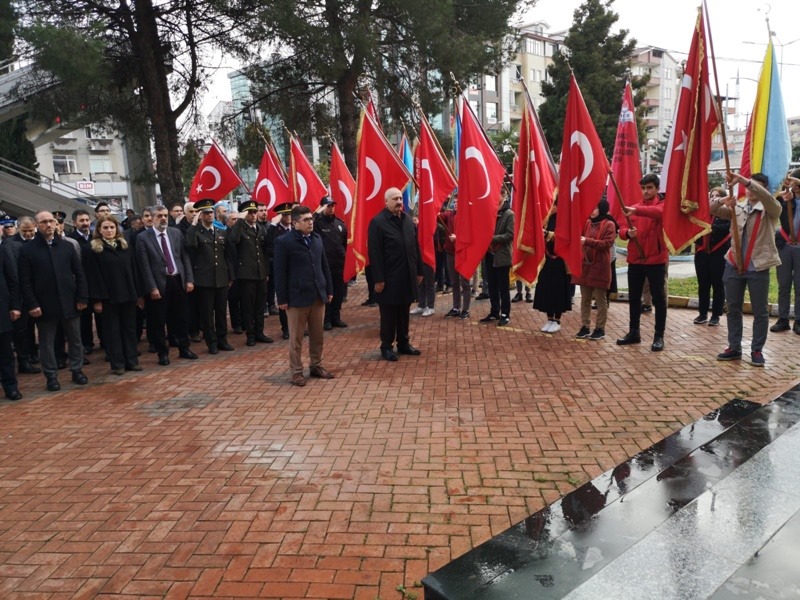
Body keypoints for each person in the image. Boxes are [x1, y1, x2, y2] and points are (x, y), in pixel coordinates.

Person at [711, 172, 781, 367]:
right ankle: (734, 347)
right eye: (748, 188)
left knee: (760, 311)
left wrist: (744, 181)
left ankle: (757, 349)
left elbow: (769, 200)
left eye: (754, 187)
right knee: (733, 309)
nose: (750, 190)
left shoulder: (770, 209)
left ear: (764, 189)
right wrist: (721, 200)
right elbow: (710, 210)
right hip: (733, 264)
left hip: (757, 266)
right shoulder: (737, 207)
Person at [18, 211, 89, 391]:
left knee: (75, 339)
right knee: (46, 343)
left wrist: (82, 297)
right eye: (44, 222)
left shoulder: (67, 247)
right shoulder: (27, 250)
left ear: (57, 224)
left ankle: (77, 370)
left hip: (70, 301)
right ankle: (51, 375)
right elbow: (25, 281)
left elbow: (79, 274)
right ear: (36, 225)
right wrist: (32, 304)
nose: (48, 225)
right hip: (44, 305)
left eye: (51, 221)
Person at [274, 204, 334, 386]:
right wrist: (282, 299)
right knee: (296, 338)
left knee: (317, 335)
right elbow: (280, 272)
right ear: (295, 223)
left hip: (317, 295)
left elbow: (324, 266)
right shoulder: (284, 242)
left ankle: (316, 365)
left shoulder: (317, 239)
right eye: (306, 220)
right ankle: (296, 371)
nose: (310, 222)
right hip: (296, 298)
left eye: (311, 219)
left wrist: (329, 289)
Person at [136, 205, 198, 366]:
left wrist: (189, 279)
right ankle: (162, 353)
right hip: (158, 283)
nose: (163, 218)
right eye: (159, 216)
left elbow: (184, 257)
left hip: (177, 280)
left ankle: (184, 348)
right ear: (152, 218)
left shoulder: (175, 233)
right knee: (158, 320)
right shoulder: (143, 238)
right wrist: (152, 288)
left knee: (181, 317)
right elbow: (144, 266)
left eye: (165, 215)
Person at [368, 187, 423, 361]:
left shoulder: (407, 220)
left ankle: (403, 343)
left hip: (407, 275)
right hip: (389, 278)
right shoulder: (377, 222)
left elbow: (416, 247)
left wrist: (419, 270)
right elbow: (374, 253)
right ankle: (386, 346)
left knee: (404, 312)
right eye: (394, 199)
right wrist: (379, 278)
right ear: (386, 202)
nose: (399, 201)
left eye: (400, 198)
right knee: (389, 314)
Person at [84, 215, 142, 375]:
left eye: (112, 227)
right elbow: (93, 276)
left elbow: (134, 270)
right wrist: (97, 300)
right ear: (99, 230)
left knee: (129, 329)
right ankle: (118, 364)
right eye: (105, 227)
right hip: (108, 298)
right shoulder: (94, 249)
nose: (109, 230)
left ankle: (132, 361)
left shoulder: (124, 246)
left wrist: (138, 293)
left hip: (128, 295)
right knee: (113, 331)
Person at [616, 173, 668, 351]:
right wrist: (626, 233)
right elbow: (622, 228)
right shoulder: (635, 208)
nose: (646, 191)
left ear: (657, 188)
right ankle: (634, 332)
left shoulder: (662, 205)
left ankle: (659, 336)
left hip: (656, 259)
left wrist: (636, 211)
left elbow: (658, 213)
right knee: (634, 297)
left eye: (649, 188)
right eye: (643, 188)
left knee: (659, 298)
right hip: (635, 259)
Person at [185, 198, 235, 354]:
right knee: (207, 314)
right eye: (205, 213)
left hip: (221, 277)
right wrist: (193, 224)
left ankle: (222, 340)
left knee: (221, 312)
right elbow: (189, 244)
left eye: (211, 213)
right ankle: (211, 343)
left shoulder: (221, 232)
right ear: (201, 216)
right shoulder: (196, 232)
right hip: (204, 279)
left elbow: (228, 256)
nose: (209, 215)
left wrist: (230, 276)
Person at [228, 200, 272, 346]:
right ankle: (251, 335)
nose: (253, 215)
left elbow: (265, 252)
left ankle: (259, 332)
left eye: (254, 212)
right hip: (246, 274)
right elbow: (233, 240)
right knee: (248, 306)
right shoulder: (239, 228)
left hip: (260, 273)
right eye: (250, 212)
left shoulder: (260, 229)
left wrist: (266, 271)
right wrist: (240, 220)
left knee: (260, 305)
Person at [573, 200, 616, 340]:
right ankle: (585, 326)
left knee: (600, 299)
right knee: (585, 299)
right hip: (585, 266)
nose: (592, 210)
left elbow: (607, 243)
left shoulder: (609, 224)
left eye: (595, 208)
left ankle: (600, 328)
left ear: (602, 209)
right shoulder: (587, 223)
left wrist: (587, 241)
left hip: (600, 267)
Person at [6, 216, 39, 374]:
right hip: (20, 294)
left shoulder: (38, 241)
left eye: (31, 231)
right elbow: (13, 273)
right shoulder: (10, 244)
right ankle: (24, 360)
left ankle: (34, 354)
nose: (28, 234)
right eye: (24, 231)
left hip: (39, 292)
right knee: (22, 330)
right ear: (18, 228)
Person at [693, 187, 730, 326]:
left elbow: (723, 229)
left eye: (717, 196)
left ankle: (716, 315)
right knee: (703, 284)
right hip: (702, 253)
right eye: (711, 196)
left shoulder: (725, 214)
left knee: (717, 285)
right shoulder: (702, 214)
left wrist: (708, 225)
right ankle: (702, 313)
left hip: (718, 253)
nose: (713, 198)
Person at [533, 203, 571, 332]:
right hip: (546, 260)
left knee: (558, 290)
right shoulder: (545, 219)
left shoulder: (564, 220)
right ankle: (549, 319)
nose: (552, 207)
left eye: (554, 204)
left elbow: (564, 237)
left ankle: (557, 320)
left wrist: (547, 234)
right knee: (546, 289)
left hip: (560, 261)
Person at [770, 171, 800, 334]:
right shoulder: (785, 199)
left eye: (797, 185)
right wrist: (781, 195)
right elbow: (768, 202)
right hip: (785, 246)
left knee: (799, 285)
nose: (794, 188)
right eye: (792, 185)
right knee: (784, 284)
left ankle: (799, 319)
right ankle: (783, 318)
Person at [313, 196, 349, 329]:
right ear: (322, 207)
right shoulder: (317, 223)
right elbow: (310, 222)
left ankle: (336, 317)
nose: (331, 208)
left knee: (339, 293)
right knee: (327, 292)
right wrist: (318, 212)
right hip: (325, 265)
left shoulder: (340, 224)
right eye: (328, 206)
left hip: (340, 264)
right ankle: (326, 319)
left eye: (332, 205)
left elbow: (344, 243)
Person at [480, 191, 514, 326]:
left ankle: (505, 314)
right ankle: (495, 311)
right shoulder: (491, 212)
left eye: (497, 193)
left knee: (503, 287)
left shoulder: (509, 214)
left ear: (503, 195)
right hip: (489, 254)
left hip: (502, 255)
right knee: (492, 286)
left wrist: (491, 238)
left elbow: (510, 235)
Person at [266, 203, 295, 339]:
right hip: (282, 270)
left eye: (289, 214)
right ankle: (286, 329)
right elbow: (269, 246)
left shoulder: (295, 228)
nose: (287, 217)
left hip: (296, 270)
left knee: (297, 300)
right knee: (284, 300)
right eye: (284, 214)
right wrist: (272, 225)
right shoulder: (275, 231)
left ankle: (297, 326)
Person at [441, 198, 472, 320]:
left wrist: (458, 238)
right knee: (454, 282)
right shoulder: (450, 215)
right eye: (454, 202)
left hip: (463, 253)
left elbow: (470, 234)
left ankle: (466, 309)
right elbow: (438, 215)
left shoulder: (468, 217)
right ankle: (456, 307)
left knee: (465, 282)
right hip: (450, 252)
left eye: (458, 202)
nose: (456, 204)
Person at [0, 242, 22, 400]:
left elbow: (12, 280)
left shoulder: (2, 250)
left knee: (5, 353)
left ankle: (10, 387)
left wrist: (15, 306)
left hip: (1, 310)